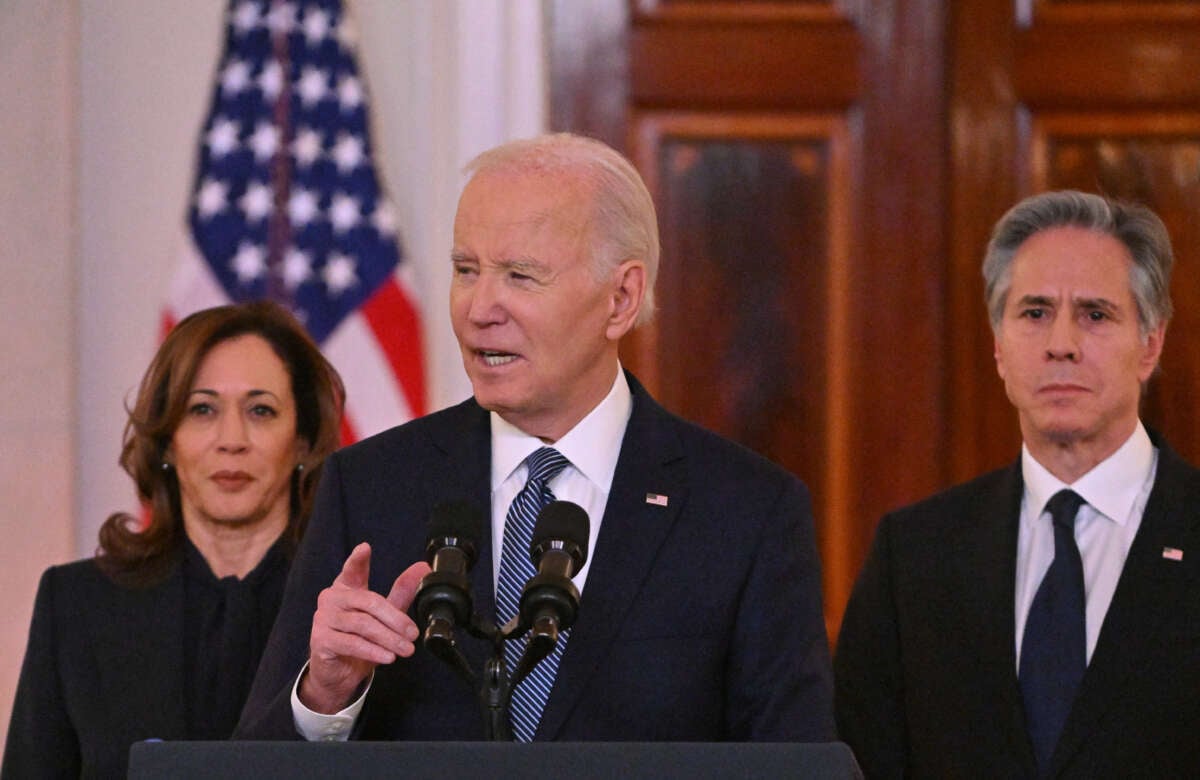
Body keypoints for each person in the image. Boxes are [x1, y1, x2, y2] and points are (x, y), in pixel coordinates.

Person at [236, 132, 835, 743]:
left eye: (521, 276)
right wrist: (325, 696)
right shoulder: (368, 487)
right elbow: (251, 762)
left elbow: (796, 758)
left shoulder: (747, 512)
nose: (479, 308)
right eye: (466, 270)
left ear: (620, 299)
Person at [835, 190, 1200, 777]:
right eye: (1034, 313)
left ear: (1150, 345)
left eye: (1095, 314)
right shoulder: (914, 557)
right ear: (1000, 346)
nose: (1061, 343)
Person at [2, 301, 344, 779]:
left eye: (261, 410)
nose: (231, 439)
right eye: (202, 409)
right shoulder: (77, 605)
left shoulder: (347, 612)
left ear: (304, 444)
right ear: (166, 440)